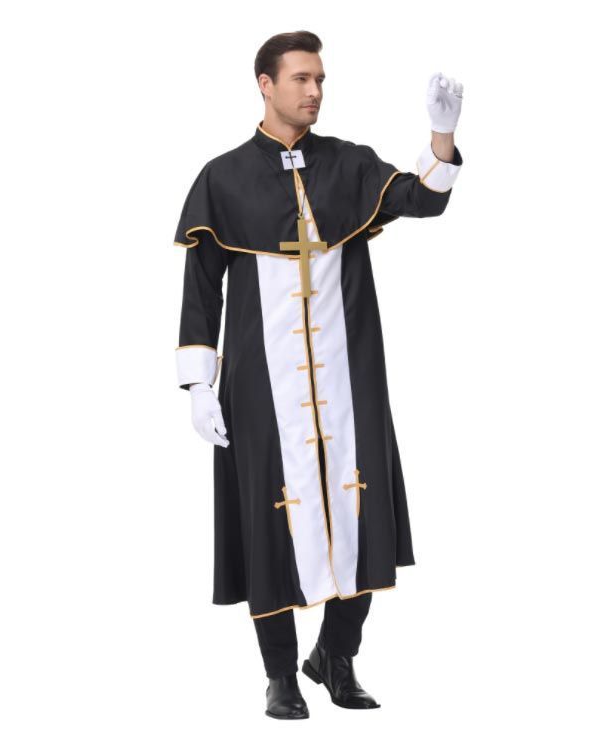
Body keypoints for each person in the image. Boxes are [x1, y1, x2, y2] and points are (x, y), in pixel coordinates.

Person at [173, 30, 464, 719]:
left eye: (321, 79)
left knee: (361, 509)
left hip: (348, 382)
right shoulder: (221, 178)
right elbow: (201, 287)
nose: (315, 91)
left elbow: (423, 199)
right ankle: (280, 674)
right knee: (267, 517)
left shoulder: (348, 164)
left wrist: (442, 137)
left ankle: (336, 655)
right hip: (261, 385)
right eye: (301, 78)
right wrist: (198, 383)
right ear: (265, 84)